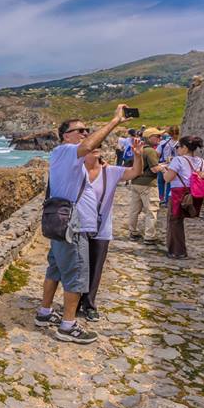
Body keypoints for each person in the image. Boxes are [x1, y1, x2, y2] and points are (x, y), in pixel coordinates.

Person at [35, 104, 133, 344]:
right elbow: (88, 146)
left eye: (86, 130)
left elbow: (89, 154)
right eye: (79, 130)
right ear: (65, 136)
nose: (85, 133)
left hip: (62, 224)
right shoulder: (67, 151)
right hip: (73, 227)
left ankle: (44, 312)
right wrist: (115, 121)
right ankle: (67, 326)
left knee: (55, 270)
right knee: (76, 276)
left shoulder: (67, 158)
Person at [76, 141, 145, 322]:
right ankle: (73, 303)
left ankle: (89, 304)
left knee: (95, 268)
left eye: (98, 146)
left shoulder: (110, 172)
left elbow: (135, 172)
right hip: (78, 227)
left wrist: (138, 156)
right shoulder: (76, 171)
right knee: (77, 267)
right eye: (92, 146)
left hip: (101, 229)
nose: (95, 148)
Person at [163, 136, 204, 259]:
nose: (177, 149)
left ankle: (177, 251)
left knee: (174, 222)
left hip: (178, 194)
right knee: (178, 220)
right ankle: (178, 250)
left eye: (179, 147)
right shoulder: (201, 162)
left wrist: (164, 171)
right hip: (193, 195)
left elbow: (168, 178)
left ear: (185, 148)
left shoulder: (178, 160)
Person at [125, 127, 166, 244]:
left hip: (135, 182)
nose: (160, 138)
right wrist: (164, 166)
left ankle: (133, 231)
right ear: (149, 137)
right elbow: (154, 169)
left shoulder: (140, 149)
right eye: (157, 136)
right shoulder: (151, 151)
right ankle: (149, 236)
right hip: (148, 184)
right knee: (151, 210)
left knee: (134, 209)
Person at [157, 125, 179, 204]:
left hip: (163, 164)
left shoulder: (163, 142)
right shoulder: (180, 143)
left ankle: (161, 198)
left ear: (169, 133)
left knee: (161, 182)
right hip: (174, 165)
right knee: (170, 182)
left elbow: (158, 154)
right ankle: (167, 200)